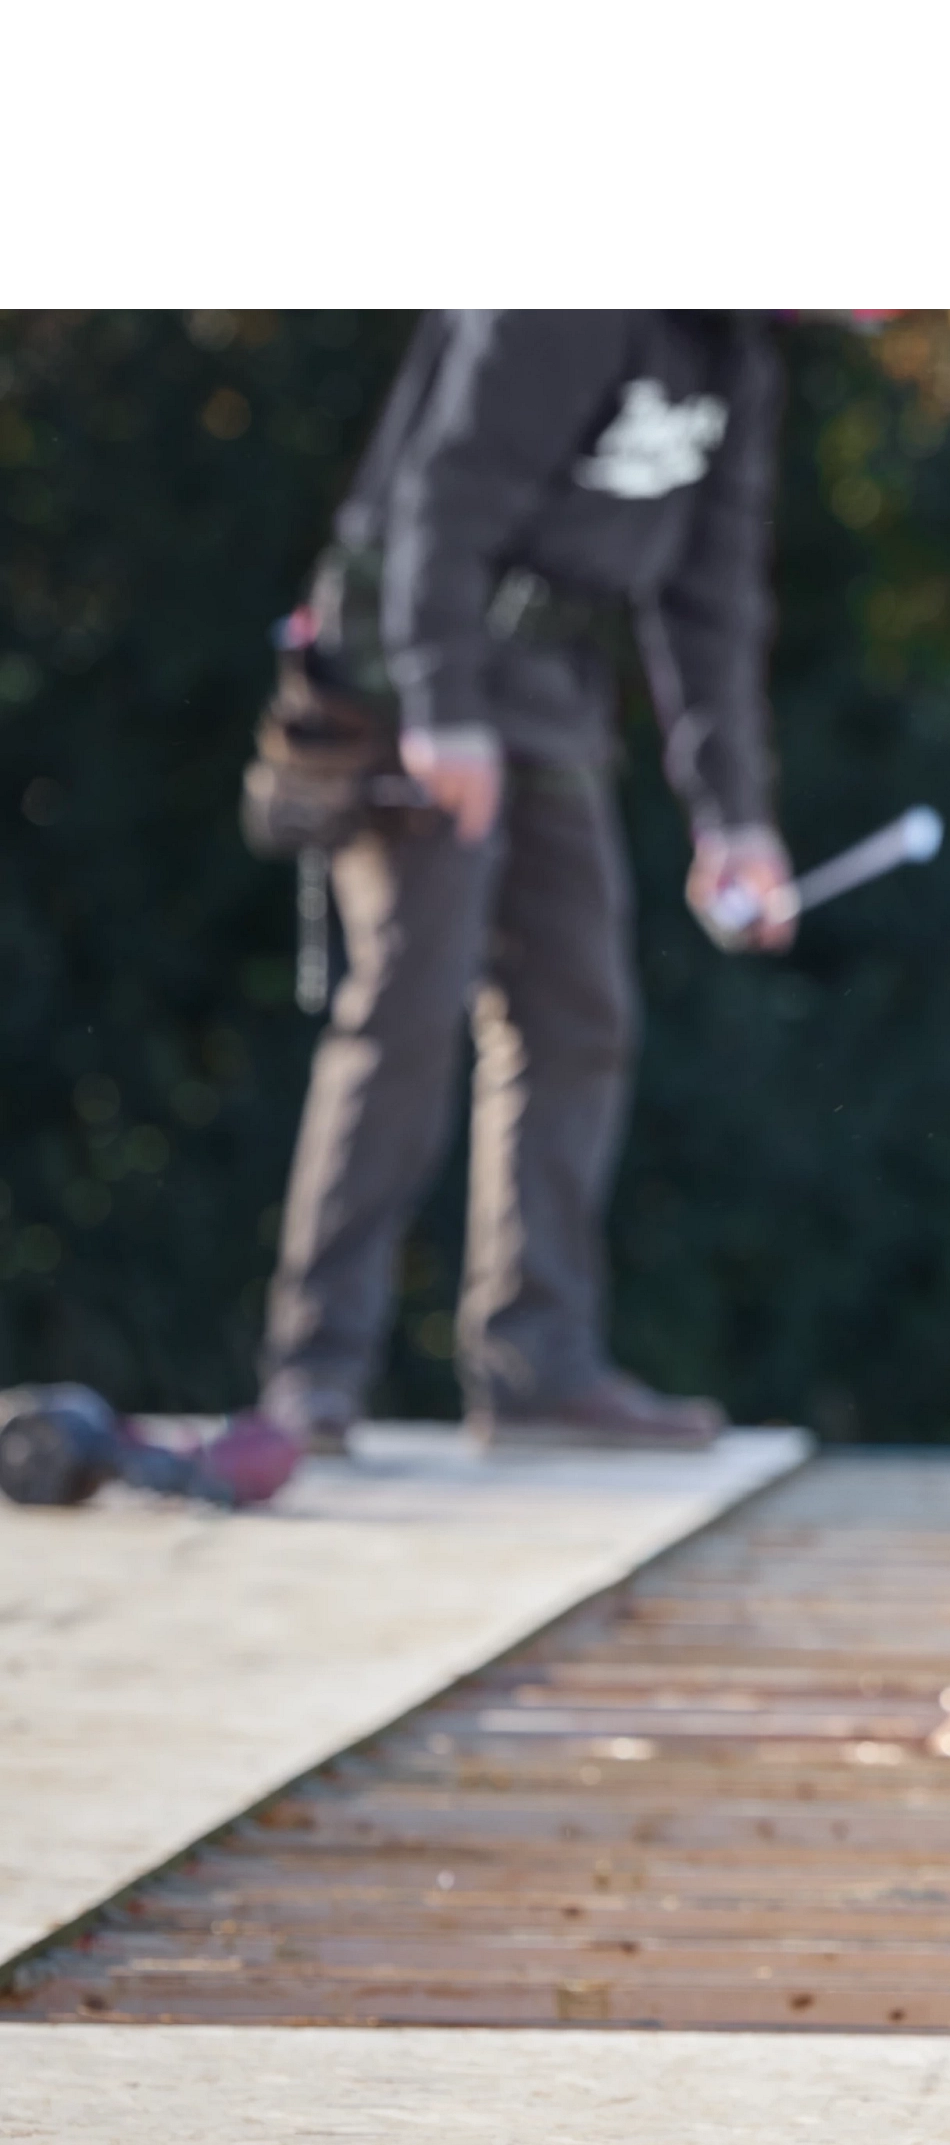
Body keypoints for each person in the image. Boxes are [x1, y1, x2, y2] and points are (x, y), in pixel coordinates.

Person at [250, 307, 795, 1454]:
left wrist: (733, 815)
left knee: (577, 1012)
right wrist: (440, 706)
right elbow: (441, 497)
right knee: (409, 1006)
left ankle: (536, 1369)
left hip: (547, 687)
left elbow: (713, 592)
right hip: (411, 661)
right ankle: (317, 1371)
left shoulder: (738, 350)